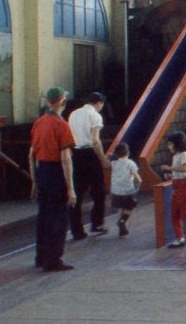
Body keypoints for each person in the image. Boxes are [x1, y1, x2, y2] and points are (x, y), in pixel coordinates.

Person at [29, 87, 77, 272]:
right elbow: (65, 159)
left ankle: (40, 257)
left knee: (43, 216)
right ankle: (53, 260)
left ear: (48, 102)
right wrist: (71, 188)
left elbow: (31, 154)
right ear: (63, 103)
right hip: (57, 172)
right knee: (58, 217)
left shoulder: (39, 123)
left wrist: (34, 180)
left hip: (42, 171)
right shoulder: (62, 125)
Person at [67, 92, 110, 240]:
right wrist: (103, 159)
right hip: (90, 155)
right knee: (99, 191)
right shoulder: (96, 116)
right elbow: (95, 140)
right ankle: (97, 224)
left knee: (77, 194)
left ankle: (76, 230)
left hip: (76, 154)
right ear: (99, 103)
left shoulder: (73, 114)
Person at [110, 143, 141, 237]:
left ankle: (121, 228)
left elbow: (106, 161)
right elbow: (138, 178)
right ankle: (122, 221)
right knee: (129, 208)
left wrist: (108, 156)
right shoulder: (130, 163)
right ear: (128, 152)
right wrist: (139, 184)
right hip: (127, 190)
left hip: (115, 191)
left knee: (120, 207)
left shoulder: (113, 163)